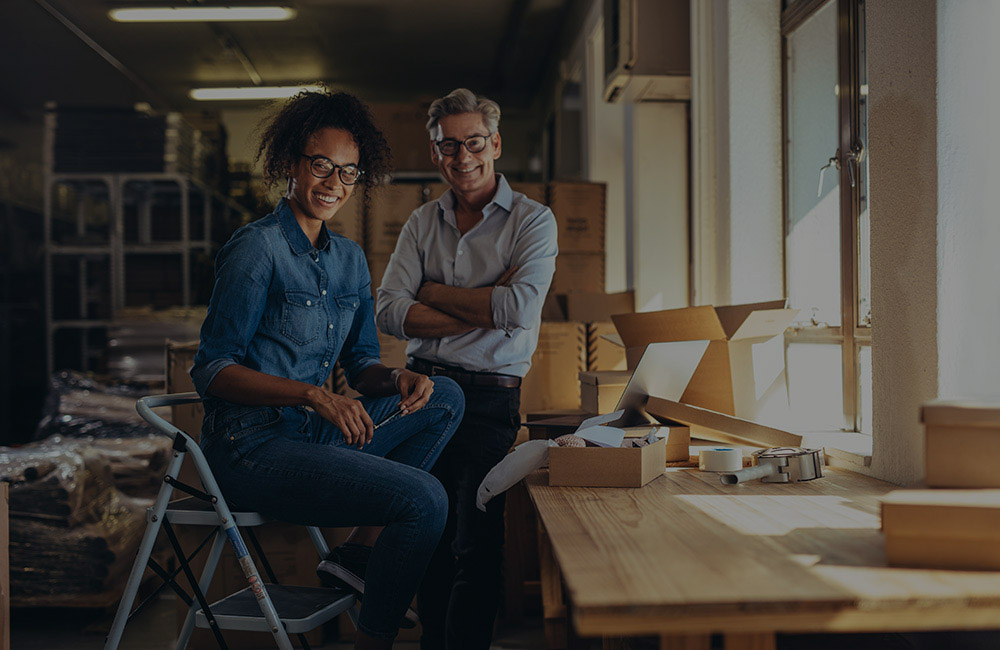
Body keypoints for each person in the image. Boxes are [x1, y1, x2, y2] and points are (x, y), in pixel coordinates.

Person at [190, 89, 465, 650]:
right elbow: (212, 370)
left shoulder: (348, 259)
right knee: (425, 499)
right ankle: (374, 640)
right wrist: (311, 396)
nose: (334, 183)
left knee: (445, 396)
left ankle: (358, 553)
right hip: (250, 448)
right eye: (322, 165)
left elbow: (362, 366)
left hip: (315, 438)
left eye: (348, 171)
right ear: (290, 162)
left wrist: (398, 379)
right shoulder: (256, 249)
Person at [375, 88, 558, 650]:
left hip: (489, 399)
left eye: (474, 143)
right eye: (448, 146)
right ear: (435, 154)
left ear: (495, 143)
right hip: (422, 392)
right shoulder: (420, 223)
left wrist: (431, 294)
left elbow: (521, 309)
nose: (462, 157)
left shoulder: (534, 220)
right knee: (424, 533)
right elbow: (388, 310)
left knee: (475, 542)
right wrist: (482, 307)